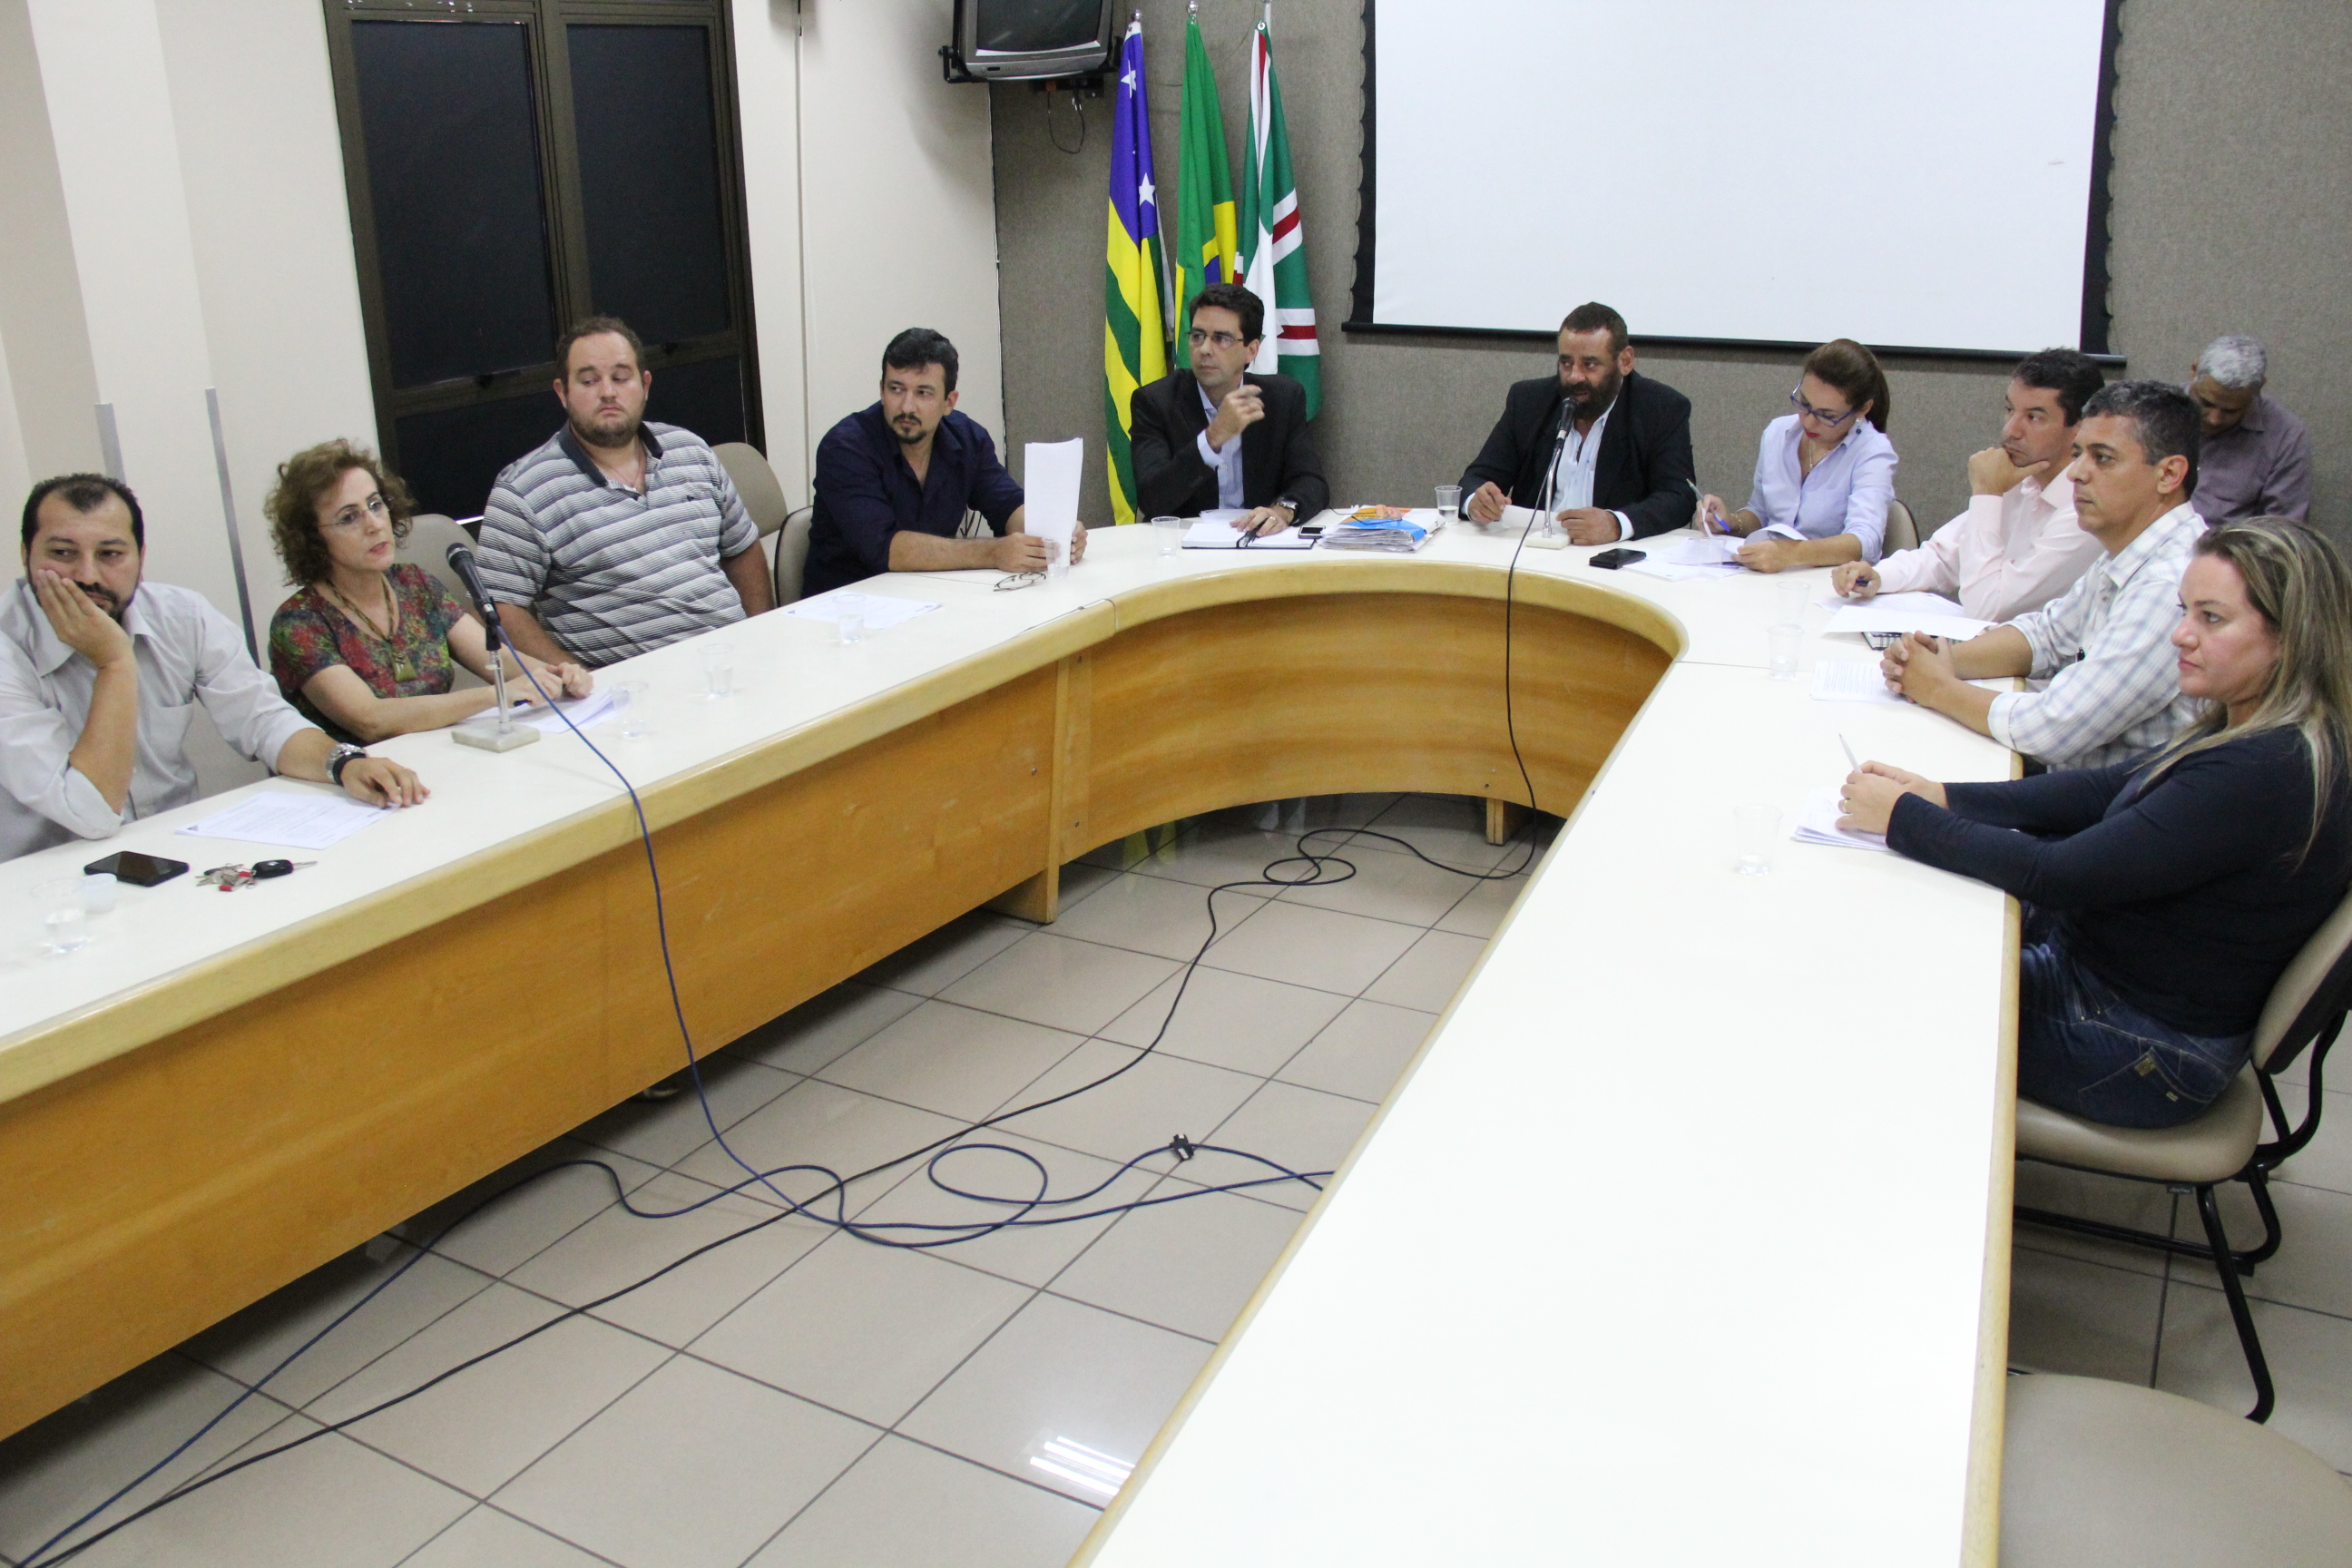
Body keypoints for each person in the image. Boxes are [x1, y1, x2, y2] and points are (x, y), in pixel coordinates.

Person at [1838, 517, 2352, 1130]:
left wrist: (1903, 817)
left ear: (2290, 638)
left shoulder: (2264, 771)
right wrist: (1945, 796)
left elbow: (2057, 875)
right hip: (2111, 980)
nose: (2181, 636)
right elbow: (2107, 787)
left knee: (1874, 982)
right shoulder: (2267, 722)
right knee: (1904, 920)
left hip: (2137, 1046)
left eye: (2211, 619)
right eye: (2185, 612)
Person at [1, 475, 427, 864]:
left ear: (140, 557)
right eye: (62, 554)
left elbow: (263, 720)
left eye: (111, 554)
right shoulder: (7, 648)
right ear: (25, 555)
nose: (87, 575)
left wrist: (343, 763)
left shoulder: (181, 616)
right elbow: (89, 814)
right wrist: (114, 662)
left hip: (171, 854)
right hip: (47, 881)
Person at [1880, 381, 2206, 770]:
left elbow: (2056, 728)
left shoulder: (2171, 584)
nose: (2076, 474)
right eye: (2078, 454)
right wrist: (1942, 658)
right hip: (2075, 791)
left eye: (2102, 458)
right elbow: (2047, 635)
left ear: (2168, 475)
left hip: (2105, 814)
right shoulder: (2131, 550)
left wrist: (1935, 686)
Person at [475, 315, 774, 667]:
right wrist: (572, 678)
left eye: (621, 377)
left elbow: (740, 549)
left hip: (732, 663)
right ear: (562, 392)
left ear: (645, 384)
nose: (608, 392)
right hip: (629, 692)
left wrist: (760, 635)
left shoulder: (690, 450)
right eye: (588, 380)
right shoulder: (524, 491)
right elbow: (500, 609)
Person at [265, 440, 592, 745]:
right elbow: (370, 719)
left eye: (376, 505)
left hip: (442, 760)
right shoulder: (299, 623)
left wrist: (556, 675)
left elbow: (497, 661)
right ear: (312, 540)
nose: (374, 523)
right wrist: (498, 695)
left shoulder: (413, 585)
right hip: (362, 784)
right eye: (349, 517)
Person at [804, 328, 1083, 598]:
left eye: (923, 393)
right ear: (881, 390)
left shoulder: (967, 438)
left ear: (949, 401)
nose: (907, 407)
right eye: (896, 389)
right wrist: (994, 553)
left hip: (932, 597)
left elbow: (1007, 506)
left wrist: (1055, 533)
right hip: (848, 609)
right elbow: (885, 548)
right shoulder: (845, 448)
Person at [1831, 348, 2105, 622]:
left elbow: (1989, 610)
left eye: (2033, 417)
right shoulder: (2019, 478)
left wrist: (1987, 493)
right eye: (2010, 409)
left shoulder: (2085, 510)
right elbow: (1943, 556)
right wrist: (1879, 575)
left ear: (2080, 430)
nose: (2010, 430)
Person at [1459, 301, 1695, 543]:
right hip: (1532, 547)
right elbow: (1475, 478)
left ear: (1625, 361)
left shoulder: (1660, 408)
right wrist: (1477, 502)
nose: (1574, 376)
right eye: (1566, 363)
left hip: (1607, 556)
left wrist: (1617, 524)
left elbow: (1679, 497)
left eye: (1590, 364)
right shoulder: (1530, 401)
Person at [1130, 282, 1328, 537]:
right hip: (1184, 545)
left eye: (1221, 339)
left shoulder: (1283, 399)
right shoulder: (1156, 402)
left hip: (1258, 543)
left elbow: (1311, 481)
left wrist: (1282, 511)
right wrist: (1212, 439)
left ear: (1251, 350)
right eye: (1197, 336)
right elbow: (1153, 500)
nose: (1204, 349)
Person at [1700, 338, 1896, 572]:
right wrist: (1730, 522)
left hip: (1832, 586)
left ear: (1862, 410)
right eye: (1804, 403)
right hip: (1769, 579)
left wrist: (1791, 553)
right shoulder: (1778, 433)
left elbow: (1866, 540)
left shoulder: (1872, 452)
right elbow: (1761, 513)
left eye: (1827, 415)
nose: (1808, 421)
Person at [2185, 333, 2310, 524]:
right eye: (2206, 403)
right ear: (2194, 371)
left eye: (2231, 411)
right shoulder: (2153, 413)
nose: (2215, 419)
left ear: (2258, 388)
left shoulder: (2285, 436)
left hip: (2226, 549)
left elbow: (2283, 530)